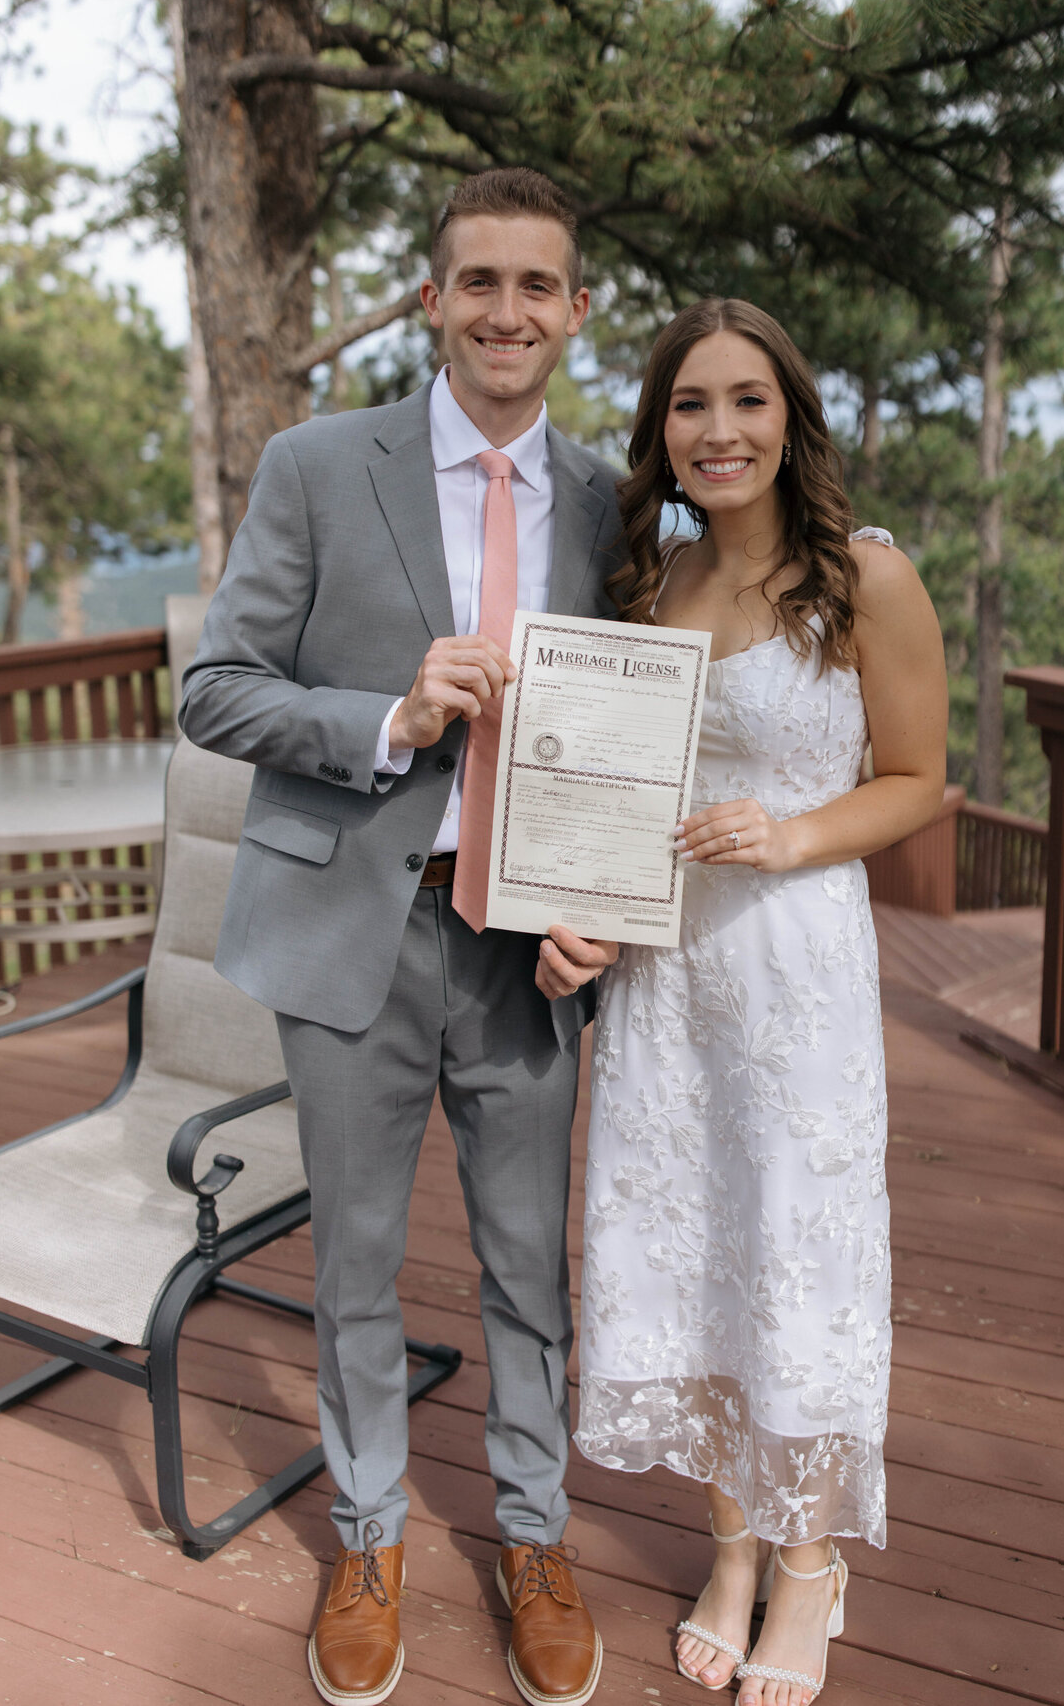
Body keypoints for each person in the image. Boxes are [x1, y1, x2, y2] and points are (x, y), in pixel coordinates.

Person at [180, 167, 621, 1706]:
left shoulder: (616, 502)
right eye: (478, 281)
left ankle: (533, 1534)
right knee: (355, 1263)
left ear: (577, 310)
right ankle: (367, 1531)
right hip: (352, 926)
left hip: (524, 951)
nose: (508, 311)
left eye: (537, 285)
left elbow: (645, 730)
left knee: (527, 1270)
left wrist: (606, 913)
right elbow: (216, 687)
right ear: (432, 300)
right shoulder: (315, 465)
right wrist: (387, 713)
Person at [574, 299, 947, 1706]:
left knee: (796, 1245)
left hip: (796, 970)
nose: (718, 430)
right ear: (660, 432)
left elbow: (920, 776)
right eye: (689, 405)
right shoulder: (654, 583)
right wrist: (586, 916)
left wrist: (790, 833)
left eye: (745, 400)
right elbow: (618, 794)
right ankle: (728, 1549)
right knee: (699, 1242)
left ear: (791, 415)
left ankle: (810, 1565)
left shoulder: (867, 578)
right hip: (673, 980)